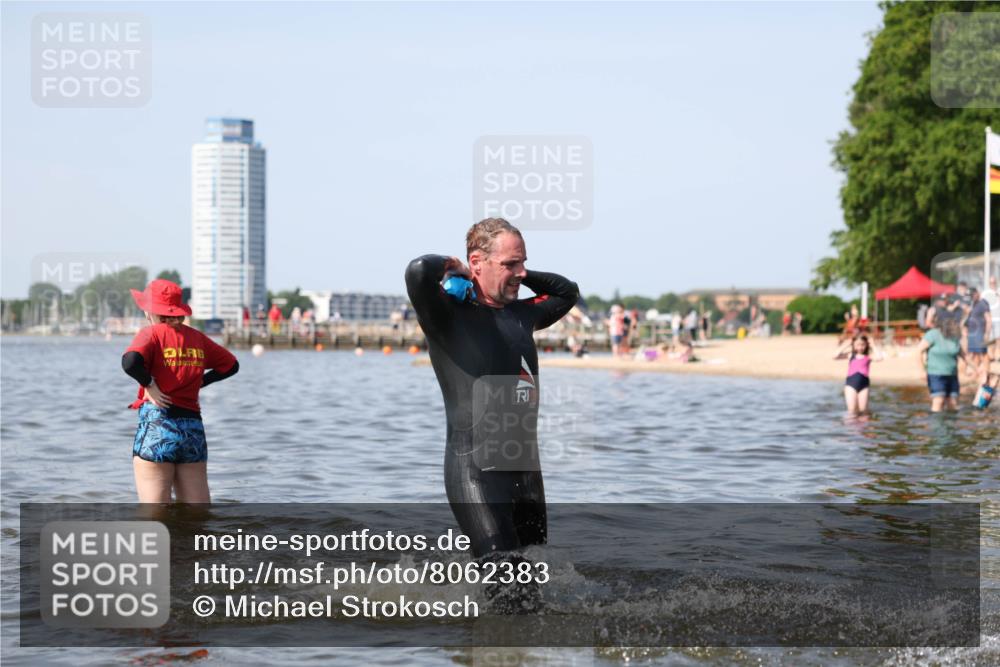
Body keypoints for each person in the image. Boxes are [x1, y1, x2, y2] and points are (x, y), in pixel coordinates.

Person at [404, 218, 579, 567]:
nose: (520, 272)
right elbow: (419, 271)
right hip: (476, 473)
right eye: (510, 264)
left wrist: (522, 274)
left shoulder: (523, 315)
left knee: (531, 587)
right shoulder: (449, 317)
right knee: (506, 585)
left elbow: (567, 291)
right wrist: (453, 266)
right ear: (477, 263)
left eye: (524, 262)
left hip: (527, 473)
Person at [122, 279, 239, 502]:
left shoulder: (152, 334)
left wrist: (149, 384)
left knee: (154, 517)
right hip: (192, 430)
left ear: (149, 311)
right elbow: (231, 365)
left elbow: (130, 362)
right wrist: (201, 381)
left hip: (159, 425)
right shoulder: (197, 338)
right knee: (197, 515)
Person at [916, 317, 966, 412]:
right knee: (938, 400)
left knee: (953, 403)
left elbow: (964, 356)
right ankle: (936, 424)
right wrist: (922, 370)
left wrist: (978, 369)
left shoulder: (955, 338)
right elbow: (918, 351)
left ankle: (951, 425)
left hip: (952, 375)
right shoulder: (932, 335)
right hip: (936, 374)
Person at [834, 334, 883, 414]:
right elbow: (835, 356)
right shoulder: (850, 355)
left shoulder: (868, 356)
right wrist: (847, 344)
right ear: (853, 345)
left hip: (864, 386)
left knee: (863, 411)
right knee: (852, 411)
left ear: (866, 345)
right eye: (858, 345)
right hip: (850, 385)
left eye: (863, 345)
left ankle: (863, 426)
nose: (860, 347)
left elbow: (880, 357)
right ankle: (851, 426)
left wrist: (873, 345)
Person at [965, 287, 992, 386]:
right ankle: (976, 373)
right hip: (973, 333)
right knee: (975, 353)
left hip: (981, 332)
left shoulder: (983, 303)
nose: (971, 297)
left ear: (977, 293)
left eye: (972, 295)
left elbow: (988, 319)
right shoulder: (973, 304)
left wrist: (987, 334)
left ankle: (986, 374)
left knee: (983, 354)